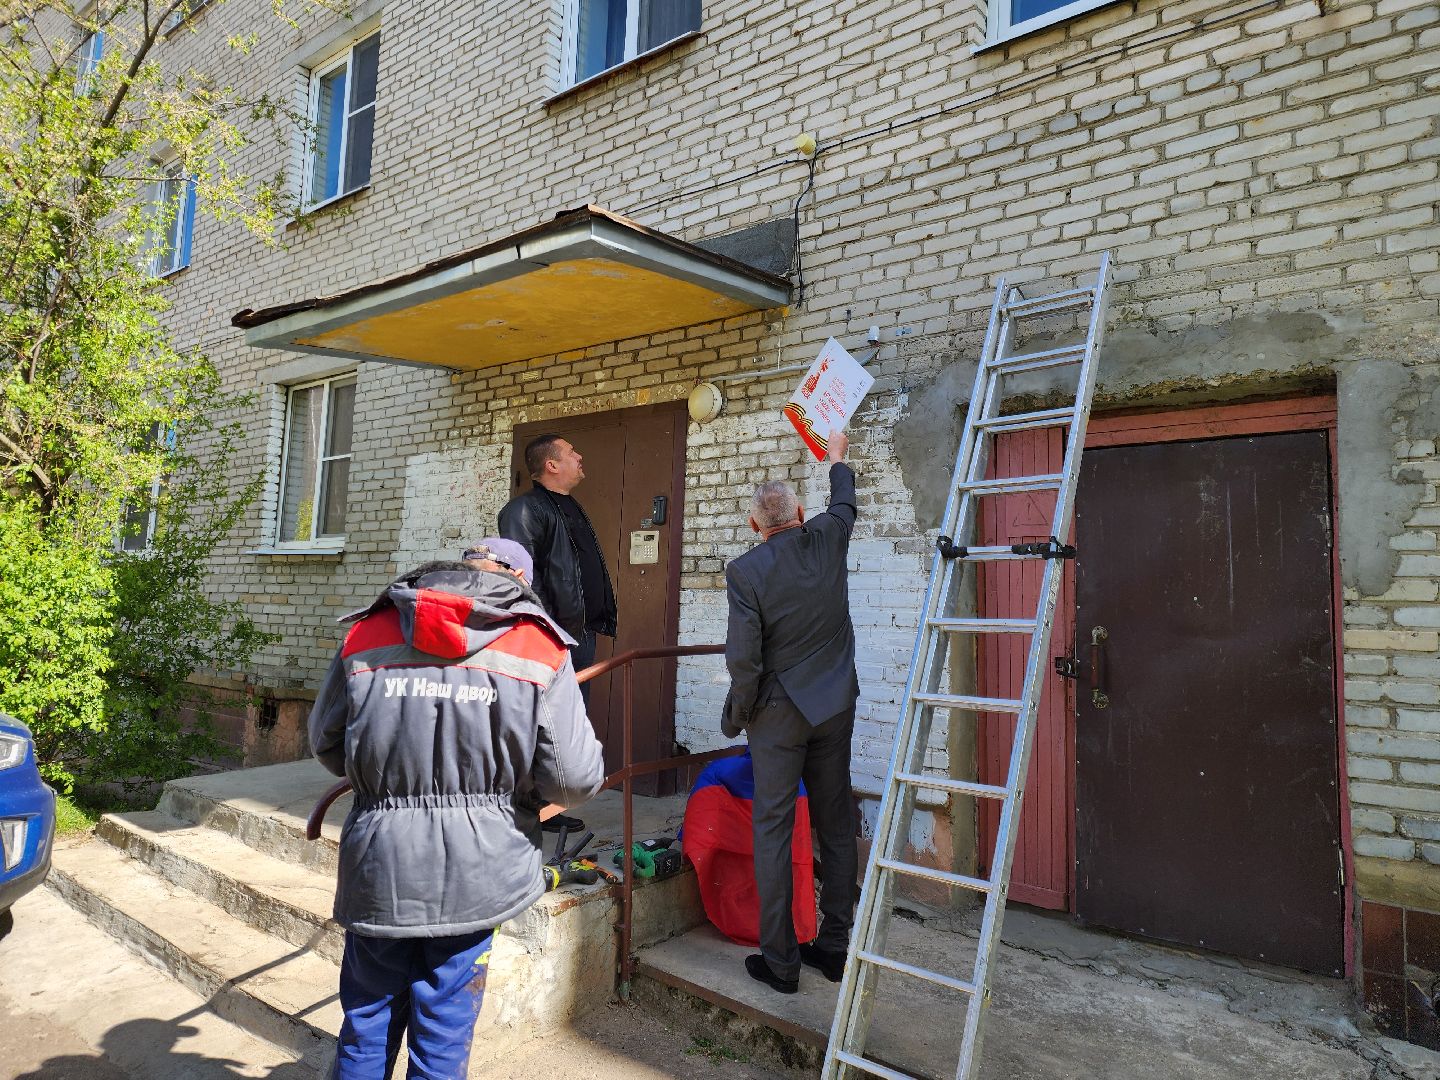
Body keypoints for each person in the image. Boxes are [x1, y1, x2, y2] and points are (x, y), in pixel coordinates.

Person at [308, 540, 606, 1079]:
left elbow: (329, 747)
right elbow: (575, 778)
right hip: (479, 868)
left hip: (382, 866)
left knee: (366, 1023)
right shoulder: (537, 645)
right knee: (444, 1030)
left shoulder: (369, 631)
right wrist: (517, 797)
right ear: (519, 577)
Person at [723, 430, 860, 994]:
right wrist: (837, 459)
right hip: (834, 707)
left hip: (778, 716)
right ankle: (833, 947)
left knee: (774, 831)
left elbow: (744, 661)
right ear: (800, 514)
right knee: (837, 826)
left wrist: (740, 715)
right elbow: (845, 504)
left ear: (757, 525)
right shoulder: (828, 537)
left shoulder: (745, 572)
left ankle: (781, 964)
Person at [497, 435, 617, 694]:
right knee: (550, 718)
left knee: (574, 716)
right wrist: (550, 628)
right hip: (554, 634)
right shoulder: (524, 509)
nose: (579, 456)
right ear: (552, 465)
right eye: (572, 452)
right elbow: (523, 577)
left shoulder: (569, 505)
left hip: (581, 633)